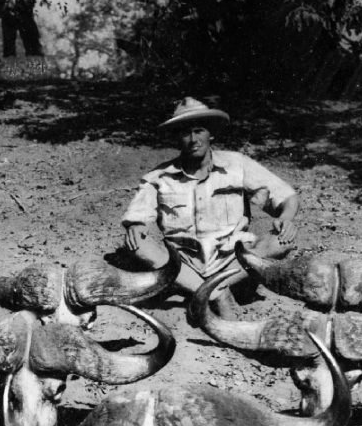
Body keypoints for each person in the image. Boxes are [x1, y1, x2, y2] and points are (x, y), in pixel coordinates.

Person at [121, 97, 299, 316]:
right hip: (182, 264)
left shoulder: (237, 164)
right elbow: (136, 218)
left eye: (199, 131)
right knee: (136, 243)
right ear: (177, 138)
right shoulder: (158, 177)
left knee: (282, 240)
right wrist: (136, 226)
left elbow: (287, 196)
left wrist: (286, 218)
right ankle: (215, 293)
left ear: (211, 133)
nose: (193, 139)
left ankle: (208, 289)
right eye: (185, 133)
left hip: (233, 260)